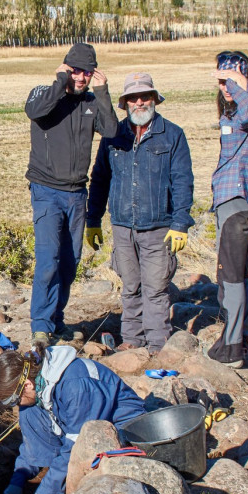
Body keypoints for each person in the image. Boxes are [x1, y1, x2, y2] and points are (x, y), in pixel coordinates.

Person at [86, 72, 193, 354]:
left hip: (159, 227)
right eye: (133, 98)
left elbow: (183, 180)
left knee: (156, 289)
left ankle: (158, 345)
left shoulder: (173, 135)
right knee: (130, 286)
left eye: (145, 97)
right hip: (123, 226)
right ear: (125, 104)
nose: (140, 102)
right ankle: (132, 341)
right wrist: (93, 220)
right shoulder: (113, 136)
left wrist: (181, 222)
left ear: (155, 99)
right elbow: (99, 180)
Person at [24, 43, 118, 346]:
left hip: (77, 193)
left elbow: (112, 131)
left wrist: (103, 94)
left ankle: (56, 321)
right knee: (48, 259)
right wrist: (59, 82)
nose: (81, 78)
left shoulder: (91, 102)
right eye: (75, 71)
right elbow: (34, 111)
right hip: (46, 191)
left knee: (69, 261)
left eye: (87, 73)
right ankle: (40, 326)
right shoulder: (44, 93)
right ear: (65, 68)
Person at [0, 345, 145, 494]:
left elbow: (75, 446)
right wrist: (17, 481)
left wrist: (46, 493)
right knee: (28, 412)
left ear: (26, 385)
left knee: (91, 476)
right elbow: (32, 444)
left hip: (122, 427)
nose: (15, 406)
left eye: (13, 401)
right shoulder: (37, 388)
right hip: (75, 425)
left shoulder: (76, 385)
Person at [208, 50, 248, 368]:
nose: (225, 87)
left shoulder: (247, 110)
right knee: (238, 277)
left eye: (230, 79)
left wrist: (241, 85)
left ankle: (232, 346)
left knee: (230, 278)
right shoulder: (232, 114)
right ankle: (237, 340)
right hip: (231, 202)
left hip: (238, 202)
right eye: (221, 80)